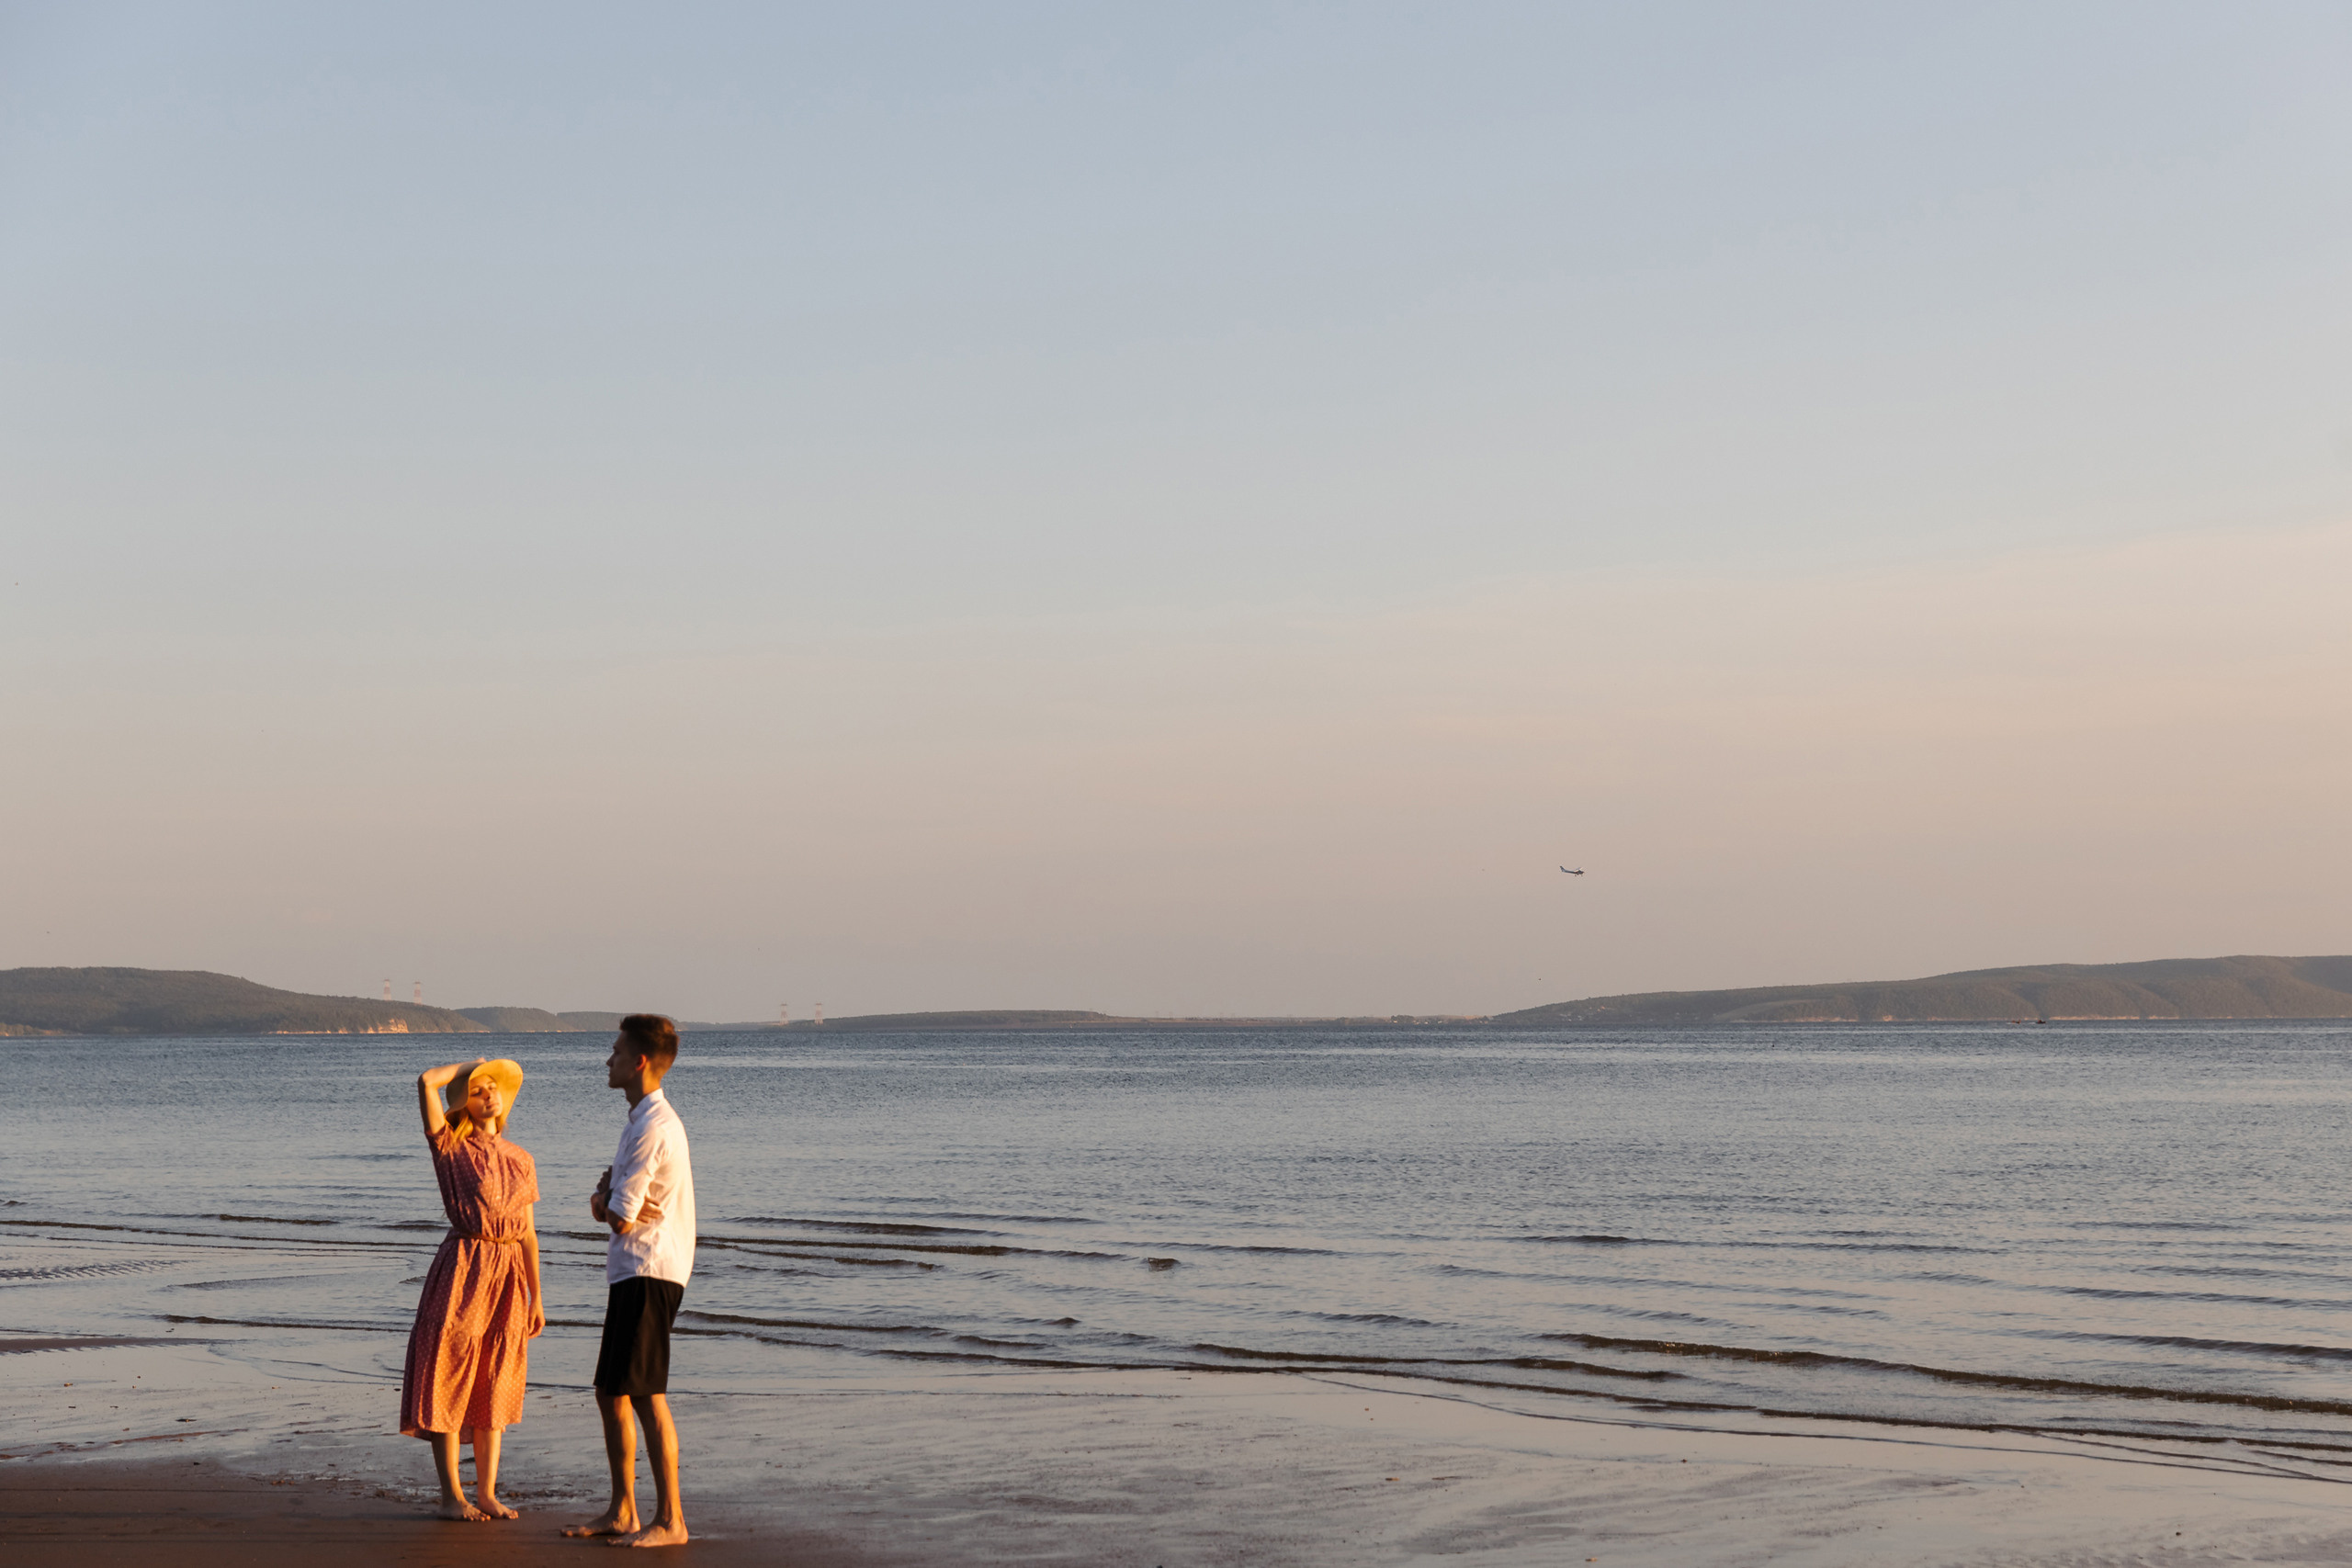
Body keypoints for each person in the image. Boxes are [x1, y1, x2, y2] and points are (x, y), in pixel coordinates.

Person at [565, 1014, 696, 1548]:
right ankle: (623, 1508)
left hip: (650, 1269)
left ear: (640, 1061)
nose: (608, 1059)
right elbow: (626, 1207)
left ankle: (671, 1520)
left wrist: (603, 1199)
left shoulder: (652, 1127)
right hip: (634, 1268)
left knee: (645, 1395)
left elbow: (617, 1214)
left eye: (616, 1051)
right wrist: (616, 1199)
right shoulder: (640, 1120)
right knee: (610, 1391)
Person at [399, 1056, 545, 1521]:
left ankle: (486, 1493)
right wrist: (470, 1066)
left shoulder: (522, 1158)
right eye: (479, 1091)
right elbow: (425, 1082)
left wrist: (536, 1296)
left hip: (507, 1275)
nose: (489, 1095)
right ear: (464, 1102)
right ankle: (451, 1496)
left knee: (495, 1378)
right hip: (463, 1267)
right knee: (450, 1372)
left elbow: (527, 1233)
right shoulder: (450, 1148)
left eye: (494, 1088)